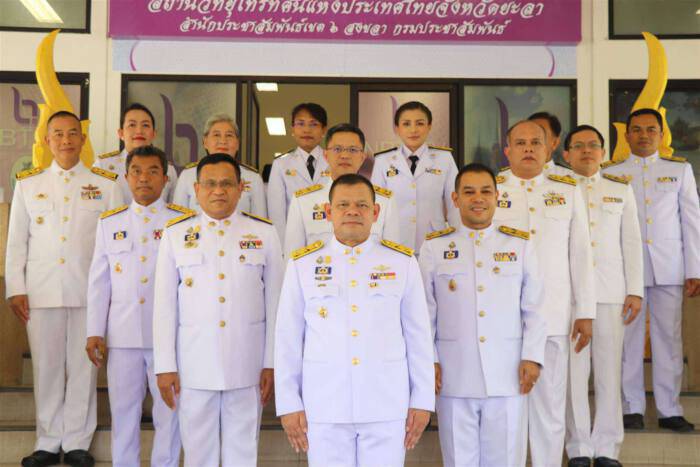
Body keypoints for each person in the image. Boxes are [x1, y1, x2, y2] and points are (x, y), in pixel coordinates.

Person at [275, 174, 435, 467]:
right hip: (324, 405)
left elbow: (419, 337)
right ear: (328, 212)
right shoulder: (302, 264)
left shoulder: (402, 263)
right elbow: (288, 339)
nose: (352, 211)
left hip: (386, 403)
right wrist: (288, 403)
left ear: (376, 212)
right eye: (343, 205)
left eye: (362, 205)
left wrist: (422, 400)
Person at [6, 111, 123, 467]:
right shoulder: (29, 184)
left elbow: (116, 244)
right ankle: (47, 440)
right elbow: (16, 241)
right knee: (46, 368)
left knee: (84, 368)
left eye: (73, 133)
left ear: (83, 140)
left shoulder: (106, 184)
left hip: (90, 291)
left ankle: (76, 442)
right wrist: (15, 287)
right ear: (47, 140)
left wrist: (114, 292)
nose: (66, 140)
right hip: (42, 292)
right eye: (58, 134)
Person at [153, 153, 283, 466]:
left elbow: (276, 305)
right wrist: (165, 365)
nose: (218, 190)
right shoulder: (175, 234)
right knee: (198, 453)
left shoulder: (264, 234)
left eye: (227, 183)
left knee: (243, 452)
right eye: (210, 184)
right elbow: (164, 307)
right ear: (196, 189)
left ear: (241, 188)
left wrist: (271, 363)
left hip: (247, 365)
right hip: (194, 365)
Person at [419, 163, 546, 467]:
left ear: (497, 197)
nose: (478, 198)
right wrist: (429, 360)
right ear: (455, 198)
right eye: (469, 192)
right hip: (453, 375)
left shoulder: (519, 244)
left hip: (508, 373)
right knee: (458, 460)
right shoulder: (434, 247)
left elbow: (535, 307)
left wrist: (532, 356)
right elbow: (424, 313)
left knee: (506, 460)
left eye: (486, 191)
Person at [494, 120, 596, 467]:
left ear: (549, 148)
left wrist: (585, 311)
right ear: (507, 150)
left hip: (553, 315)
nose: (528, 149)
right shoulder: (491, 189)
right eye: (520, 143)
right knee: (507, 410)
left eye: (535, 142)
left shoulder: (567, 189)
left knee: (550, 409)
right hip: (502, 319)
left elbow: (581, 254)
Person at [86, 145, 185, 467]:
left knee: (170, 414)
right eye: (137, 172)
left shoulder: (182, 222)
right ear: (126, 178)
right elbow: (99, 282)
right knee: (123, 414)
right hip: (123, 334)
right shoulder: (109, 222)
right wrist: (94, 331)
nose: (144, 178)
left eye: (152, 171)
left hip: (168, 339)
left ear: (166, 178)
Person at [603, 108, 700, 433]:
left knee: (668, 339)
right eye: (637, 129)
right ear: (626, 135)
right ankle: (631, 407)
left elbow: (691, 221)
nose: (643, 135)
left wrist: (695, 269)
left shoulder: (679, 170)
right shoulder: (612, 173)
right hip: (625, 271)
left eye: (650, 129)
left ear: (661, 134)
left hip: (668, 267)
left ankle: (669, 410)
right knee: (627, 339)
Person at [562, 125, 644, 467]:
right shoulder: (559, 189)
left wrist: (635, 289)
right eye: (578, 146)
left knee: (609, 371)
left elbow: (632, 242)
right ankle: (579, 447)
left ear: (603, 152)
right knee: (574, 373)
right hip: (569, 294)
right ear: (565, 154)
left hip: (610, 292)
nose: (586, 151)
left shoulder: (619, 189)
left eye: (593, 145)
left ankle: (608, 447)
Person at [283, 123, 400, 257]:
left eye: (352, 150)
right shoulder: (303, 201)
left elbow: (393, 257)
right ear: (326, 155)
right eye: (337, 149)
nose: (344, 155)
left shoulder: (385, 201)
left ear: (362, 157)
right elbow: (292, 257)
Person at [371, 101, 460, 253]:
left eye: (420, 123)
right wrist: (376, 243)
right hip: (394, 242)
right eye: (406, 124)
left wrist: (456, 239)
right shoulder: (383, 161)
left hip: (434, 241)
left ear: (429, 126)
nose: (413, 129)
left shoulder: (444, 159)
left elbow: (455, 204)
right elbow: (377, 206)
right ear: (397, 128)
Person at [172, 113, 266, 217]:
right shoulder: (187, 175)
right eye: (216, 135)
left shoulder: (253, 178)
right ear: (205, 142)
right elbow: (178, 220)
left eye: (229, 135)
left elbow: (260, 221)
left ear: (237, 144)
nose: (223, 141)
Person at [267, 103, 331, 243]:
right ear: (293, 129)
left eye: (314, 124)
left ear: (323, 130)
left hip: (329, 238)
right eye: (300, 123)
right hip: (295, 239)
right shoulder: (281, 164)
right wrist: (283, 247)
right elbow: (277, 213)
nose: (306, 130)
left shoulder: (333, 160)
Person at [94, 103, 178, 203]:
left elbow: (173, 208)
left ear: (153, 134)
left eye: (145, 125)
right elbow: (94, 204)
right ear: (121, 133)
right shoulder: (102, 166)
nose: (139, 131)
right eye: (132, 125)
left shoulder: (168, 170)